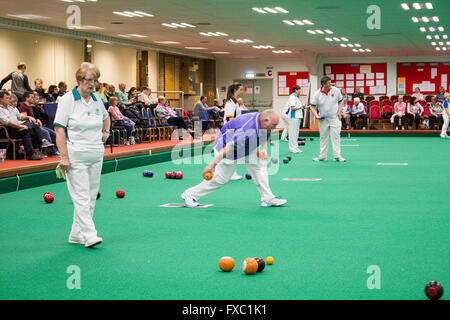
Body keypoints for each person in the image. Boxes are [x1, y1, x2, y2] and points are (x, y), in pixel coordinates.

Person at [54, 62, 110, 248]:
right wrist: (64, 157)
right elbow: (59, 130)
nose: (92, 84)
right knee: (81, 196)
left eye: (94, 80)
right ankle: (89, 234)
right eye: (89, 80)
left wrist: (106, 133)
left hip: (95, 153)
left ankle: (76, 234)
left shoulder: (96, 99)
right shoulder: (68, 99)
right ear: (79, 80)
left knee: (91, 196)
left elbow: (106, 116)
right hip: (76, 154)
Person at [180, 109, 287, 208]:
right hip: (227, 147)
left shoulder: (264, 123)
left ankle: (267, 198)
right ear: (265, 120)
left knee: (259, 167)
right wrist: (212, 165)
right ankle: (190, 194)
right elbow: (228, 148)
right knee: (220, 179)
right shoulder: (247, 129)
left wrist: (263, 149)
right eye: (274, 125)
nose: (274, 127)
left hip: (246, 145)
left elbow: (266, 134)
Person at [310, 77, 346, 162]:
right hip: (323, 119)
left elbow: (341, 101)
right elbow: (312, 106)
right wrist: (316, 116)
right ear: (323, 84)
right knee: (323, 137)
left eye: (331, 82)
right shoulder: (317, 94)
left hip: (334, 118)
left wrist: (339, 111)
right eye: (329, 83)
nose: (330, 84)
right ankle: (322, 156)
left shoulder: (335, 90)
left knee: (336, 137)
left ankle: (337, 156)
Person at [0, 91, 43, 160]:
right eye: (7, 98)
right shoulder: (0, 109)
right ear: (1, 99)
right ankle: (35, 150)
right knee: (27, 129)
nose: (9, 99)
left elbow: (20, 117)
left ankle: (34, 152)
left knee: (32, 125)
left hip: (18, 127)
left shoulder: (11, 108)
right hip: (8, 130)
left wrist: (29, 117)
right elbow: (7, 122)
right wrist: (20, 126)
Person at [223, 84, 244, 179]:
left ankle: (231, 173)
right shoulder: (230, 103)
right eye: (240, 89)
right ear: (235, 90)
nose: (241, 91)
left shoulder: (235, 102)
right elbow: (230, 118)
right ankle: (230, 174)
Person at [285, 85, 304, 153]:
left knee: (296, 133)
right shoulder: (292, 97)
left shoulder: (296, 97)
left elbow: (298, 106)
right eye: (299, 90)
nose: (300, 91)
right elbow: (292, 107)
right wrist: (301, 106)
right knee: (292, 133)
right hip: (294, 117)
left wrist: (302, 107)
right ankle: (292, 149)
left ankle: (296, 148)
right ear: (296, 90)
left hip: (298, 117)